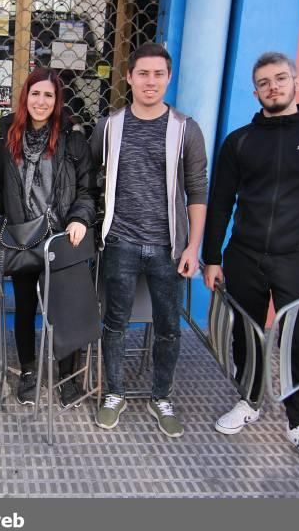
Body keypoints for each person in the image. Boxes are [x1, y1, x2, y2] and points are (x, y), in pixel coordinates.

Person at [202, 52, 299, 471]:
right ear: (255, 91)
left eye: (280, 79)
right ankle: (249, 401)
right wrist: (211, 258)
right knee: (246, 337)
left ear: (296, 82)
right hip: (244, 256)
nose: (273, 87)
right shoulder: (240, 141)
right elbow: (219, 204)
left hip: (298, 258)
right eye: (264, 82)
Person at [90, 42, 208, 437]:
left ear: (168, 78)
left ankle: (162, 396)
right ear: (129, 77)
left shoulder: (185, 129)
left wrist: (193, 247)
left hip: (168, 248)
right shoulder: (109, 126)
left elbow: (197, 189)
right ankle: (115, 393)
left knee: (168, 327)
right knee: (115, 322)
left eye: (158, 74)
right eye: (143, 73)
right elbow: (91, 178)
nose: (150, 81)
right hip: (119, 242)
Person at [0, 67, 97, 408]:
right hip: (22, 237)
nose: (41, 101)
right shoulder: (8, 134)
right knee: (26, 308)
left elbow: (88, 189)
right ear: (25, 97)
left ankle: (67, 376)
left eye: (48, 95)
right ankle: (28, 371)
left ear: (57, 100)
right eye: (35, 94)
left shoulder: (73, 139)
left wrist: (79, 219)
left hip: (61, 239)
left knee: (65, 311)